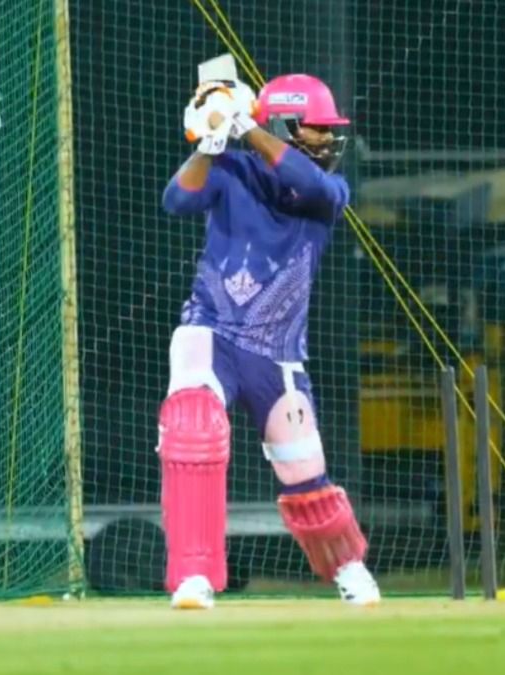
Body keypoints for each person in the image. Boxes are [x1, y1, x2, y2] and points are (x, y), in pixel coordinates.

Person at [157, 73, 379, 609]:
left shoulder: (329, 191)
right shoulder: (230, 169)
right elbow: (176, 200)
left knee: (305, 475)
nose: (329, 141)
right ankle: (193, 577)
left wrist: (246, 127)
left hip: (278, 355)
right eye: (319, 129)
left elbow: (309, 183)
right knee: (192, 426)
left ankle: (349, 568)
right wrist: (210, 145)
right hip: (212, 332)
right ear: (286, 124)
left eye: (330, 132)